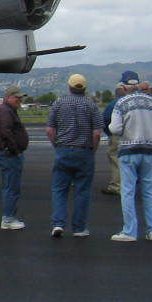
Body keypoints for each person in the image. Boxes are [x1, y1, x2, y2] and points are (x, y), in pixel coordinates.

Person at [110, 74, 152, 242]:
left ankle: (129, 231)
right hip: (150, 151)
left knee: (128, 191)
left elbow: (115, 128)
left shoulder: (121, 103)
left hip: (129, 151)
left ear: (124, 86)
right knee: (150, 192)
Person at [46, 73, 102, 237]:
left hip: (63, 149)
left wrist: (57, 146)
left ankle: (58, 223)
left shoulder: (59, 103)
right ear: (84, 88)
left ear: (69, 87)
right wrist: (93, 151)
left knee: (59, 189)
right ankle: (79, 228)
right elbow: (97, 133)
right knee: (82, 191)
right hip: (84, 150)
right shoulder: (91, 106)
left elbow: (50, 130)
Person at [0, 87, 30, 230]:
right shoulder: (6, 111)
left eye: (21, 98)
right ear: (8, 97)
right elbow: (6, 131)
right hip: (9, 154)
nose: (20, 100)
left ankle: (9, 217)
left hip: (8, 152)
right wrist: (14, 150)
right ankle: (8, 218)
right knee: (11, 187)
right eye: (17, 98)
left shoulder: (5, 110)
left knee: (11, 186)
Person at [100, 83, 125, 195]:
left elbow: (104, 120)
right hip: (130, 135)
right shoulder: (129, 102)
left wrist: (109, 133)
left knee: (115, 158)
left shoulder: (112, 104)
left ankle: (116, 185)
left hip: (115, 135)